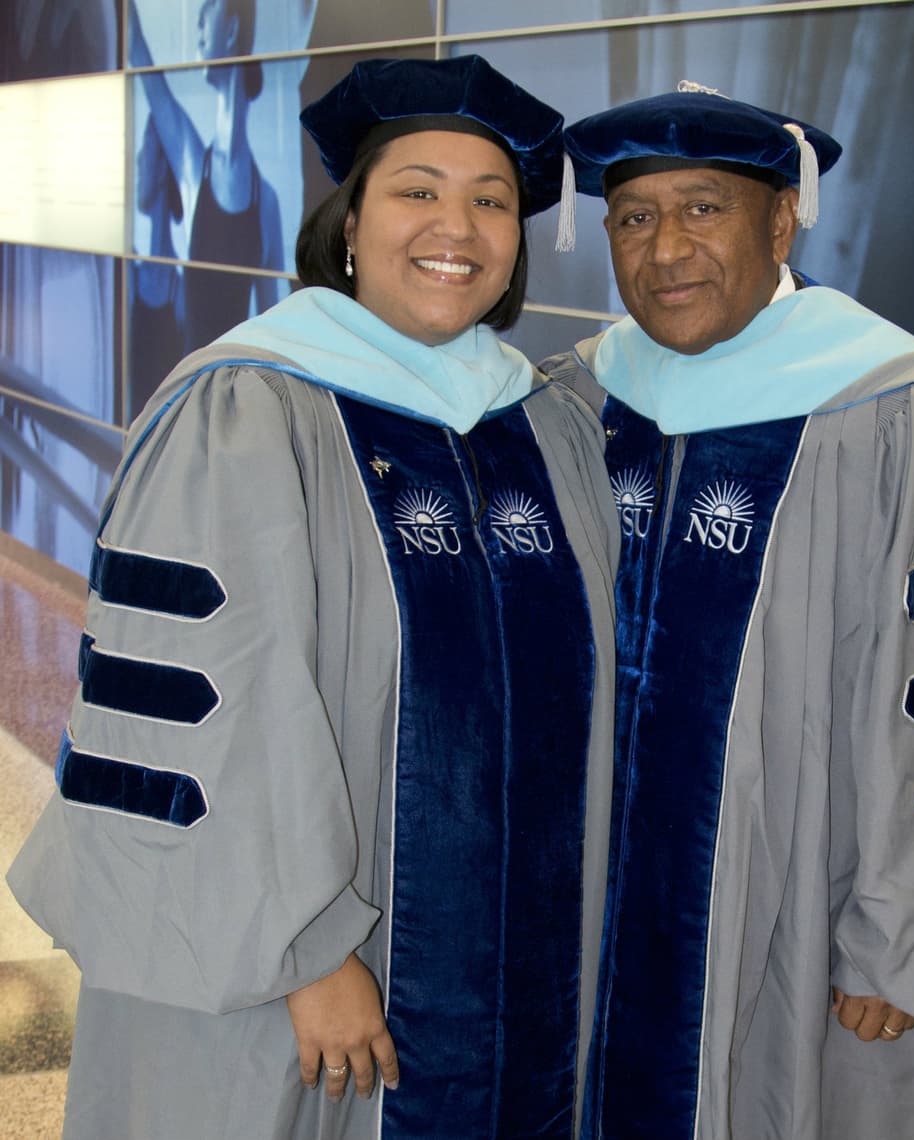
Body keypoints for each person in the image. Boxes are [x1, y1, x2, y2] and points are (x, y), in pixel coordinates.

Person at [7, 54, 617, 1140]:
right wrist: (310, 952)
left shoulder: (545, 423)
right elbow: (206, 706)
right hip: (306, 960)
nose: (457, 227)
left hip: (521, 959)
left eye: (490, 200)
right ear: (349, 223)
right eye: (416, 190)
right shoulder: (249, 407)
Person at [541, 85, 914, 1139]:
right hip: (590, 909)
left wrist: (904, 939)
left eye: (703, 209)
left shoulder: (906, 412)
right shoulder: (575, 400)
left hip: (812, 908)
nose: (665, 250)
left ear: (779, 218)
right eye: (633, 217)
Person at [128, 0, 289, 353]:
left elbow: (274, 336)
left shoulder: (267, 205)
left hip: (238, 394)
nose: (198, 25)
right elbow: (137, 50)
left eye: (208, 12)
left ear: (231, 30)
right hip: (191, 389)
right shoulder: (190, 164)